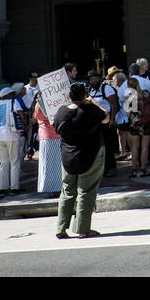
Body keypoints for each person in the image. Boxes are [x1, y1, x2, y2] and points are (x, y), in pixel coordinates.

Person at [52, 83, 108, 239]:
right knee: (86, 192)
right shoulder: (90, 110)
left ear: (69, 96)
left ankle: (61, 228)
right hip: (89, 156)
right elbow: (106, 118)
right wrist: (93, 102)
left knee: (67, 192)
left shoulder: (61, 112)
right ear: (85, 95)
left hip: (68, 158)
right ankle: (82, 229)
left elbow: (56, 126)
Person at [0, 86, 27, 194]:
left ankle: (2, 188)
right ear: (7, 95)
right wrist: (25, 124)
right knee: (14, 162)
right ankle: (14, 187)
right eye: (12, 93)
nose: (14, 95)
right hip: (12, 135)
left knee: (3, 163)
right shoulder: (13, 102)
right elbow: (21, 114)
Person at [88, 71, 119, 177]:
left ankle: (112, 167)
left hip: (107, 121)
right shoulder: (91, 90)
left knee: (108, 146)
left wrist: (113, 119)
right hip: (96, 123)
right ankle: (103, 168)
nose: (92, 81)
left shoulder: (107, 88)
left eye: (94, 79)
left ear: (98, 78)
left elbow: (114, 105)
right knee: (99, 146)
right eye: (91, 79)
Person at [31, 95, 63, 194]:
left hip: (50, 134)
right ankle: (55, 187)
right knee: (53, 162)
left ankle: (56, 186)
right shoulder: (42, 104)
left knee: (53, 162)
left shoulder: (46, 103)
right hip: (49, 135)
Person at [122, 75, 150, 177]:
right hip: (146, 122)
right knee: (145, 147)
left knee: (134, 147)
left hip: (135, 123)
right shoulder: (145, 93)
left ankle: (134, 169)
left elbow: (127, 112)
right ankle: (144, 169)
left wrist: (133, 118)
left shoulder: (129, 96)